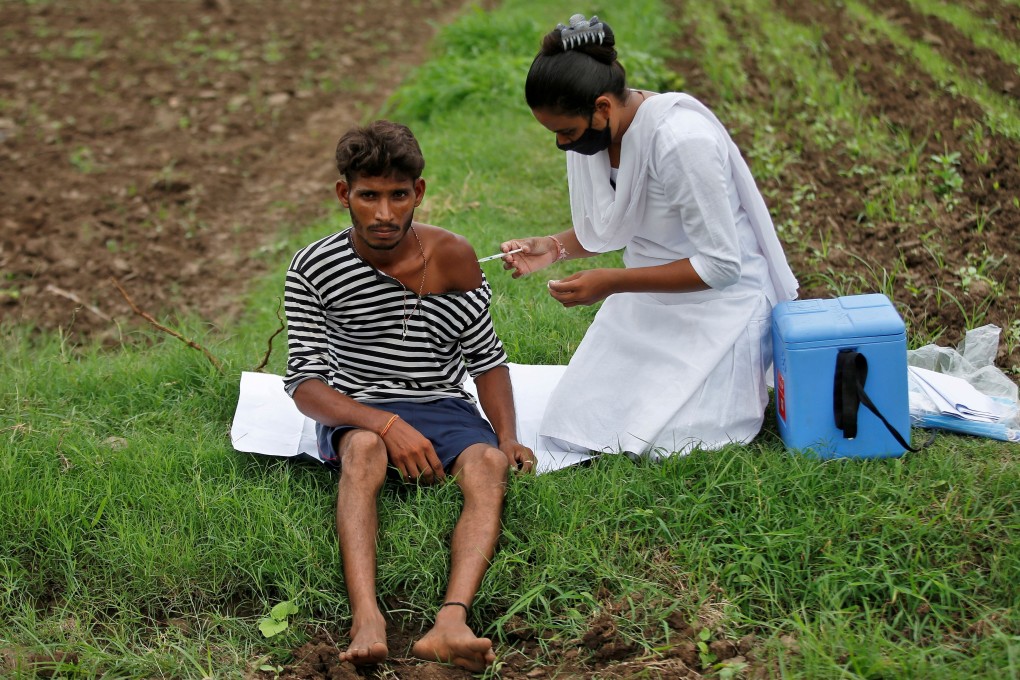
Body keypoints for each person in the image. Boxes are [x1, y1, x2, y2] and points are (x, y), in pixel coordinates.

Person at [283, 120, 536, 671]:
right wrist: (384, 424)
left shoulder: (454, 257)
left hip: (443, 403)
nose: (384, 213)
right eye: (368, 195)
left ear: (417, 193)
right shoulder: (313, 268)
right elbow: (305, 385)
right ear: (344, 194)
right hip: (361, 404)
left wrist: (510, 436)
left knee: (488, 462)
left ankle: (451, 620)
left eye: (398, 195)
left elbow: (486, 360)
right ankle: (367, 616)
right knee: (365, 451)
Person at [500, 14, 799, 457]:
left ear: (602, 107)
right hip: (650, 300)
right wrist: (555, 247)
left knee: (670, 440)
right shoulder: (602, 135)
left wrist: (613, 282)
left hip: (722, 305)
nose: (562, 144)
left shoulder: (681, 141)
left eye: (567, 131)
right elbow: (618, 225)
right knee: (579, 420)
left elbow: (720, 266)